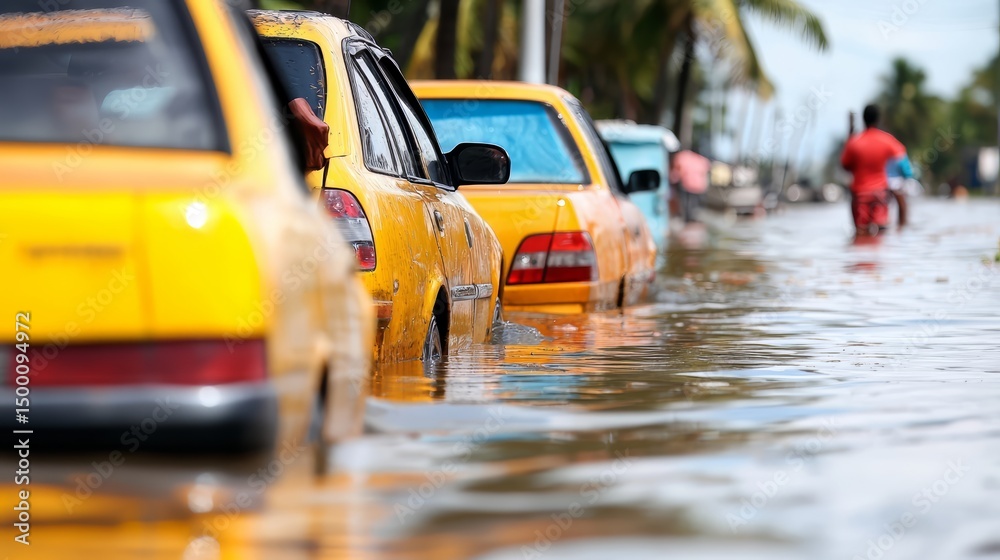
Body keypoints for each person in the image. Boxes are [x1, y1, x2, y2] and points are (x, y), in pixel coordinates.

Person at [841, 104, 912, 236]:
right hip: (880, 195)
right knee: (880, 234)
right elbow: (902, 158)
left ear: (863, 119)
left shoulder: (854, 142)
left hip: (859, 195)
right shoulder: (886, 140)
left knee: (861, 235)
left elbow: (845, 166)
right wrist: (906, 175)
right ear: (878, 119)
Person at [669, 147, 711, 223]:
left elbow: (678, 171)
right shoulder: (702, 160)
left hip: (687, 183)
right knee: (694, 203)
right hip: (698, 186)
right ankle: (691, 217)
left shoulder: (682, 157)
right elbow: (705, 172)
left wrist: (673, 178)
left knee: (686, 202)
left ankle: (687, 218)